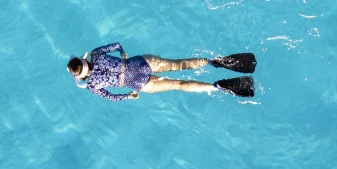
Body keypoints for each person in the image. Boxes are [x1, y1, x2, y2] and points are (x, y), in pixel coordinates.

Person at [67, 42, 257, 101]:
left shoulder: (92, 86)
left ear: (80, 76)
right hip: (139, 63)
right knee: (178, 64)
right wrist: (123, 52)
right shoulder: (96, 54)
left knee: (179, 85)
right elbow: (116, 45)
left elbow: (113, 97)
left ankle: (218, 86)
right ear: (83, 59)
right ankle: (213, 62)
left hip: (137, 83)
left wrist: (129, 96)